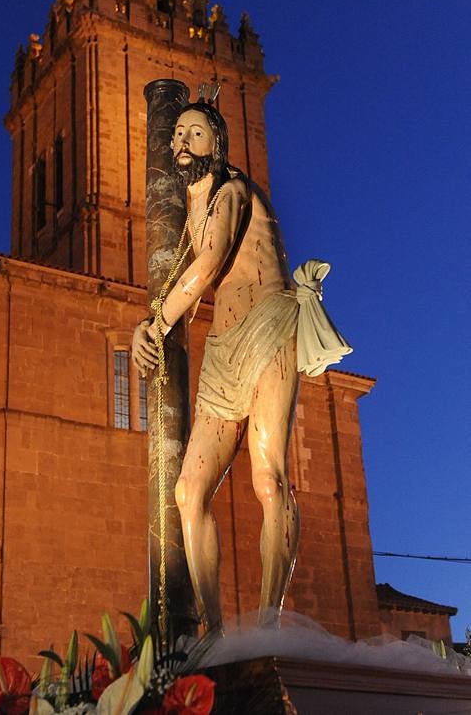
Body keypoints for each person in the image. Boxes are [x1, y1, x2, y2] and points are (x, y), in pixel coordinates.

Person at [132, 88, 350, 632]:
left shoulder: (231, 191)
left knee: (268, 476)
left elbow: (205, 268)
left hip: (268, 326)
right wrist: (150, 324)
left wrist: (157, 324)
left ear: (218, 142)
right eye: (177, 133)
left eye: (195, 132)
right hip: (223, 348)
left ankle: (270, 621)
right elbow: (181, 275)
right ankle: (214, 630)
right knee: (187, 490)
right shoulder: (191, 209)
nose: (182, 140)